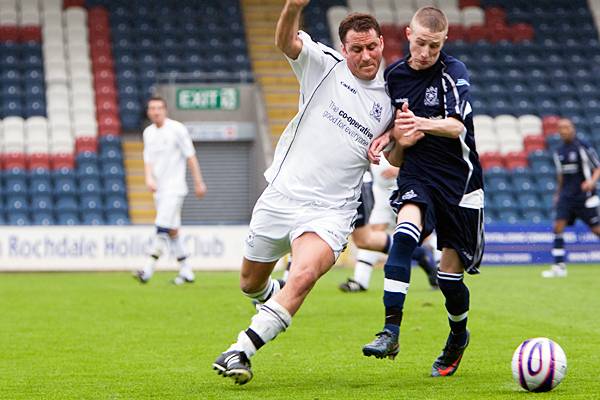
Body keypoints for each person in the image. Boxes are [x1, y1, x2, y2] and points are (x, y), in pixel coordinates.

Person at [212, 1, 393, 385]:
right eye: (357, 49)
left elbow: (400, 152)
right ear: (344, 50)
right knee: (250, 284)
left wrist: (395, 140)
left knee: (305, 273)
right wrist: (293, 6)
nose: (366, 56)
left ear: (382, 43)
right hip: (282, 194)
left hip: (332, 210)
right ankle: (275, 296)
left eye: (372, 47)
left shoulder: (393, 97)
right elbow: (285, 41)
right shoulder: (323, 64)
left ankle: (240, 350)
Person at [361, 6, 484, 378]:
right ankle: (391, 331)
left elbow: (456, 125)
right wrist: (391, 140)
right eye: (421, 43)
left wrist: (419, 124)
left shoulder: (454, 72)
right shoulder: (395, 77)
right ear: (408, 35)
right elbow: (398, 144)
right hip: (418, 175)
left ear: (443, 42)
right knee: (403, 235)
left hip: (461, 184)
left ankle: (458, 336)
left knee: (450, 280)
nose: (426, 52)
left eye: (434, 46)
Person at [134, 96, 207, 284]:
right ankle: (186, 271)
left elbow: (191, 156)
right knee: (173, 230)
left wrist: (198, 182)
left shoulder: (177, 129)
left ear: (165, 110)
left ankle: (147, 269)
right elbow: (148, 159)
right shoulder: (148, 133)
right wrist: (148, 178)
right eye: (152, 108)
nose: (156, 111)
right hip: (159, 189)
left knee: (161, 226)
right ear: (149, 112)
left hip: (175, 188)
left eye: (159, 108)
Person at [339, 158, 438, 292]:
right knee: (370, 235)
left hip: (408, 188)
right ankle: (360, 280)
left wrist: (401, 170)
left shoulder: (417, 136)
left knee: (422, 232)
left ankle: (440, 273)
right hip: (380, 191)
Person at [542, 117, 600, 278]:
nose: (563, 131)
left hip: (584, 196)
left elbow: (597, 168)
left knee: (596, 230)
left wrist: (591, 181)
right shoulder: (558, 151)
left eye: (566, 127)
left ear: (572, 129)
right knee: (558, 227)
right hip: (566, 196)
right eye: (560, 128)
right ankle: (559, 266)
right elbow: (561, 176)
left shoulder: (583, 147)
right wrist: (557, 194)